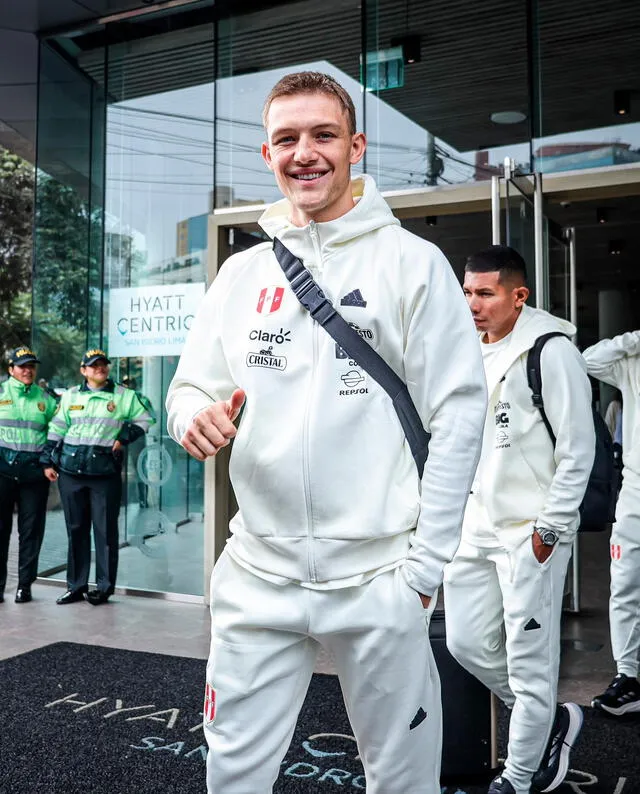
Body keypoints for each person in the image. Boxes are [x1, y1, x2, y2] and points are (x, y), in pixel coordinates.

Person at [166, 71, 487, 794]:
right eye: (287, 139)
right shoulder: (242, 274)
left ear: (356, 147)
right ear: (267, 153)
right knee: (233, 774)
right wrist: (193, 416)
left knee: (402, 779)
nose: (304, 153)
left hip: (379, 578)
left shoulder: (412, 264)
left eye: (322, 135)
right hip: (258, 572)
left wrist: (423, 571)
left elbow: (460, 415)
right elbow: (189, 388)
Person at [443, 246, 594, 794]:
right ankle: (549, 720)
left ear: (517, 295)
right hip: (474, 528)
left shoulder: (551, 351)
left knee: (531, 660)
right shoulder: (468, 351)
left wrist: (548, 530)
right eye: (467, 293)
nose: (473, 304)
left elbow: (579, 449)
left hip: (530, 534)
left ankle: (521, 775)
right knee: (465, 644)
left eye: (485, 294)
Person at [42, 349, 154, 605]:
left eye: (103, 365)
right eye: (93, 366)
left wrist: (124, 436)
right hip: (71, 473)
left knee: (105, 533)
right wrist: (47, 460)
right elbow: (57, 428)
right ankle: (76, 586)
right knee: (76, 530)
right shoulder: (70, 396)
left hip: (104, 474)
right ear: (83, 370)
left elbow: (147, 418)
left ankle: (104, 588)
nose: (99, 369)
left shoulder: (123, 396)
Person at [583, 332, 640, 715]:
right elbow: (589, 360)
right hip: (635, 492)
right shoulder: (632, 362)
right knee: (624, 584)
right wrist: (633, 340)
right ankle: (629, 677)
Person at [0, 347, 58, 603]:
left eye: (31, 366)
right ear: (11, 369)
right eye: (22, 366)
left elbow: (57, 433)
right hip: (2, 472)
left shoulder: (46, 399)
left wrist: (48, 461)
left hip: (34, 475)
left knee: (31, 532)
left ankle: (25, 585)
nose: (28, 370)